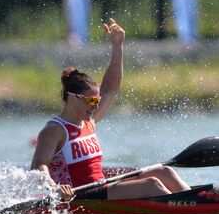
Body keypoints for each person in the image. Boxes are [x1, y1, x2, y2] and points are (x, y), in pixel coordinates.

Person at [30, 18, 190, 201]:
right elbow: (38, 165)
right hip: (78, 196)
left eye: (97, 100)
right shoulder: (55, 130)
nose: (96, 105)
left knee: (164, 172)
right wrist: (55, 188)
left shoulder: (88, 120)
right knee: (152, 184)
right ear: (73, 98)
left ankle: (194, 200)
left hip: (101, 186)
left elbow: (110, 88)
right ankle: (187, 208)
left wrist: (117, 46)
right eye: (91, 100)